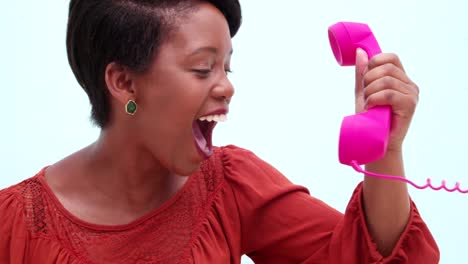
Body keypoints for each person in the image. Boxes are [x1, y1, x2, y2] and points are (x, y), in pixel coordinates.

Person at [0, 0, 439, 263]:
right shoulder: (12, 225)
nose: (227, 86)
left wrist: (385, 148)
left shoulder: (232, 185)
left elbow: (363, 258)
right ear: (124, 83)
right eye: (202, 67)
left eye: (227, 66)